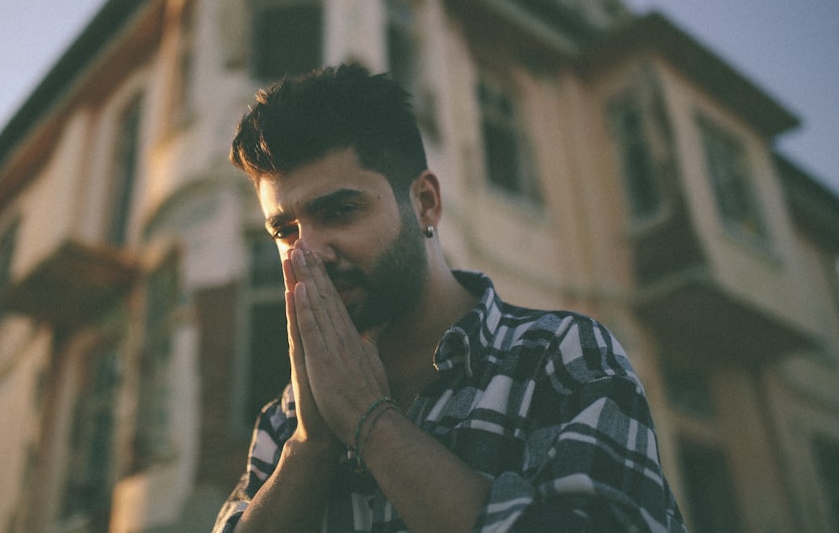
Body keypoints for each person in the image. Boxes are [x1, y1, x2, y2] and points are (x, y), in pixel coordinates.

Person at [214, 65, 685, 532]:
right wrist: (311, 446)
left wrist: (370, 421)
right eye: (285, 231)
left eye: (341, 210)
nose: (308, 250)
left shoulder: (559, 356)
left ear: (425, 202)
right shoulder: (288, 418)